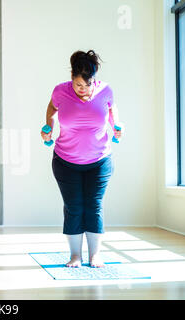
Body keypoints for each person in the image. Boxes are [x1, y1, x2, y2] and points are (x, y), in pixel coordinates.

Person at [41, 50, 123, 268]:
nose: (83, 90)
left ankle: (95, 255)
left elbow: (111, 106)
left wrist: (117, 124)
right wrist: (49, 125)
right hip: (65, 160)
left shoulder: (105, 90)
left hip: (100, 160)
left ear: (93, 80)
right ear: (72, 77)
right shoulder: (61, 91)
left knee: (94, 206)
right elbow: (52, 106)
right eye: (78, 84)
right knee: (74, 206)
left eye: (87, 85)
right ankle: (75, 255)